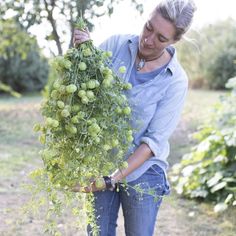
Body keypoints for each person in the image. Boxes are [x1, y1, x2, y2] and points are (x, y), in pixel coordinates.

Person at [73, 0, 196, 235]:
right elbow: (87, 93)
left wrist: (112, 178)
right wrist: (83, 56)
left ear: (174, 41)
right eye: (148, 27)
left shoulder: (176, 80)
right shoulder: (116, 44)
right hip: (103, 160)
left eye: (161, 38)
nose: (148, 40)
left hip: (144, 170)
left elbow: (153, 142)